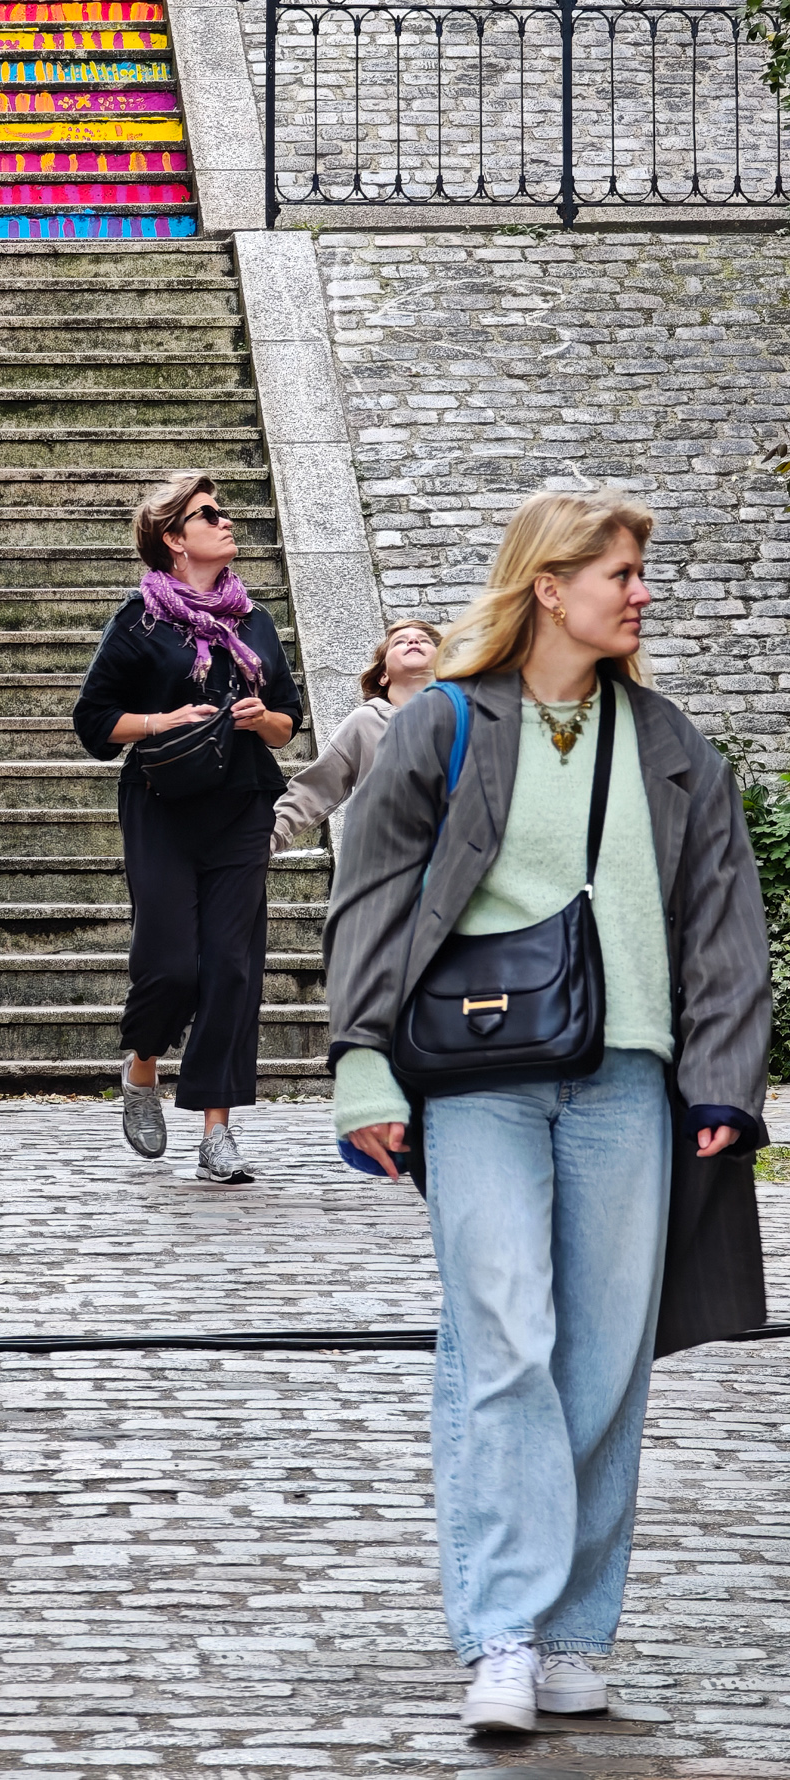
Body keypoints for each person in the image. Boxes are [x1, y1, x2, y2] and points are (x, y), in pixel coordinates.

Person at [323, 490, 771, 1735]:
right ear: (548, 586)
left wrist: (723, 1076)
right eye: (618, 573)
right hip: (477, 1079)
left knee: (601, 1360)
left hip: (629, 1079)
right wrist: (359, 1062)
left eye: (637, 572)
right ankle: (503, 1636)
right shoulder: (444, 724)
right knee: (503, 1338)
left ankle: (575, 1631)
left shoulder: (670, 743)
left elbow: (723, 921)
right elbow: (370, 897)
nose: (639, 592)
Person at [74, 470, 301, 1184]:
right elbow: (93, 722)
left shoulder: (253, 620)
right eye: (209, 514)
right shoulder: (139, 621)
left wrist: (262, 719)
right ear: (174, 540)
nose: (225, 521)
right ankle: (142, 1067)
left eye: (223, 511)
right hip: (162, 805)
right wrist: (161, 720)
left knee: (232, 967)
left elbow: (288, 721)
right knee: (171, 965)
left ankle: (216, 1130)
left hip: (242, 804)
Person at [271, 618, 440, 850]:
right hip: (384, 857)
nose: (413, 641)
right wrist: (268, 837)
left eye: (424, 641)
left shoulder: (468, 719)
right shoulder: (365, 722)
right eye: (400, 642)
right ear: (383, 675)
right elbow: (316, 788)